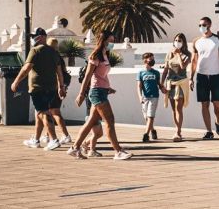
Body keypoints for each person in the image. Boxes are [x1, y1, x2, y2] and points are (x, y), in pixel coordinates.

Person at [67, 30, 132, 160]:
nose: (112, 44)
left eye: (113, 41)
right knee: (110, 120)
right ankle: (118, 151)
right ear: (104, 40)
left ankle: (74, 148)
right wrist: (81, 93)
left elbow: (101, 75)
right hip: (96, 93)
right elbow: (88, 76)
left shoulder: (105, 55)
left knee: (91, 122)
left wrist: (108, 88)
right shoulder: (95, 56)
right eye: (110, 41)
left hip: (102, 91)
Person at [11, 27, 65, 151]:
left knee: (42, 112)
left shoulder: (35, 51)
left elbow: (26, 68)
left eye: (35, 36)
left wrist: (16, 81)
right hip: (51, 88)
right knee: (40, 112)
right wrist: (61, 87)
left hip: (37, 88)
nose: (33, 39)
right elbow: (59, 72)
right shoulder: (54, 52)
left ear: (41, 37)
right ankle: (35, 139)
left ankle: (54, 139)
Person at [190, 17, 219, 139]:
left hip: (216, 76)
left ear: (210, 25)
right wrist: (191, 78)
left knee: (217, 105)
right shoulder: (196, 41)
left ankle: (218, 121)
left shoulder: (218, 40)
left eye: (204, 24)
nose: (202, 27)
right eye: (200, 25)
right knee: (204, 104)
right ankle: (209, 131)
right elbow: (194, 61)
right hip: (201, 76)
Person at [162, 33, 191, 142]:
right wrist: (161, 84)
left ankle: (178, 132)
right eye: (176, 40)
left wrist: (178, 54)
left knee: (179, 108)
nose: (177, 42)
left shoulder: (188, 54)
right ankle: (177, 129)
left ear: (183, 42)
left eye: (180, 40)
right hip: (171, 83)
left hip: (181, 83)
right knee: (174, 109)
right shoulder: (169, 54)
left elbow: (183, 66)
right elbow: (165, 70)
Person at [46, 37, 72, 145]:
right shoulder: (58, 57)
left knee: (54, 112)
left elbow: (58, 73)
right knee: (49, 112)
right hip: (59, 87)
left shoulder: (51, 57)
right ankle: (47, 135)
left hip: (54, 88)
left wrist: (59, 88)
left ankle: (66, 135)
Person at [137, 52, 166, 142]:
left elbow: (159, 84)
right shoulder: (141, 73)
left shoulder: (156, 72)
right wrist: (140, 97)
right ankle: (153, 130)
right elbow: (139, 86)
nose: (153, 60)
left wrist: (164, 89)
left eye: (153, 58)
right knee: (146, 117)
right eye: (151, 58)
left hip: (154, 97)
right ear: (145, 60)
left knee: (150, 116)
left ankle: (146, 134)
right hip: (145, 97)